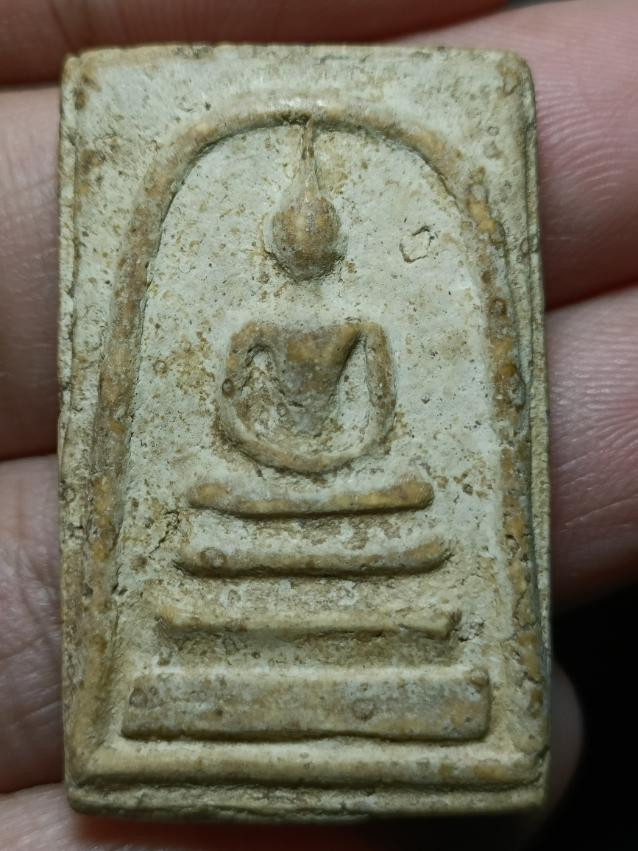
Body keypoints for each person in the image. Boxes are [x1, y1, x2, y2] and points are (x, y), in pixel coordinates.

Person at [0, 0, 635, 847]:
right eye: (295, 234)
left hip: (350, 475)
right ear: (277, 240)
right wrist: (277, 455)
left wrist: (338, 458)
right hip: (262, 475)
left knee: (404, 505)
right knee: (211, 511)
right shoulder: (254, 325)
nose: (307, 245)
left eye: (319, 233)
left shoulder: (361, 324)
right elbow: (230, 414)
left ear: (331, 243)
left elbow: (379, 418)